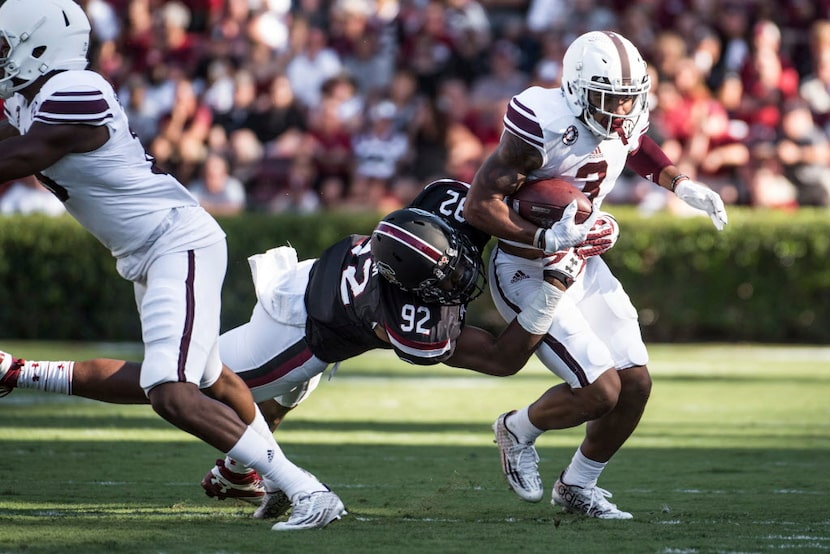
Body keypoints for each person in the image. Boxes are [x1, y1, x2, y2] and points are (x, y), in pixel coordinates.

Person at [0, 178, 596, 516]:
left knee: (285, 390)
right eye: (445, 280)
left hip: (319, 288)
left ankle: (236, 473)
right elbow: (502, 358)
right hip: (301, 328)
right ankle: (20, 372)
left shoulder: (442, 207)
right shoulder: (409, 316)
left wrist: (552, 222)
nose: (460, 281)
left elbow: (492, 192)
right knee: (171, 383)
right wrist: (554, 285)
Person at [0, 0, 344, 532]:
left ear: (36, 45)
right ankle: (274, 480)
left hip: (175, 241)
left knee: (171, 392)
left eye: (4, 44)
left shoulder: (75, 90)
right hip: (155, 250)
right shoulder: (33, 100)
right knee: (210, 379)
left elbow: (22, 156)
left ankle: (308, 491)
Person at [464, 30, 728, 519]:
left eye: (628, 100)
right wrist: (546, 239)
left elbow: (638, 142)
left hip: (581, 264)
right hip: (527, 267)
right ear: (576, 89)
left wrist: (679, 182)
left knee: (635, 385)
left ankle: (578, 485)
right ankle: (517, 429)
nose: (619, 113)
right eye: (608, 100)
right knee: (599, 390)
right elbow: (479, 205)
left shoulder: (623, 115)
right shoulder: (540, 123)